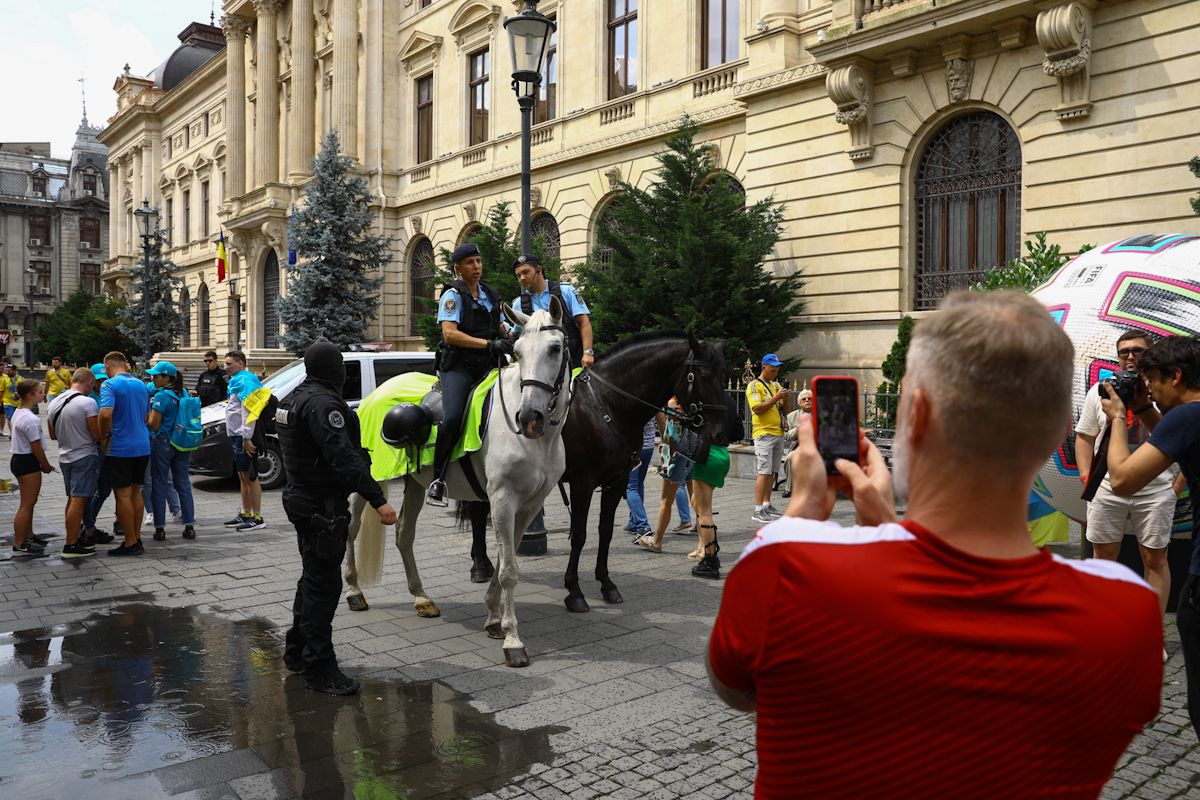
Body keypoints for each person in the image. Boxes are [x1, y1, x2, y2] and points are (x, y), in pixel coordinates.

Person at [707, 291, 1162, 799]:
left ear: (916, 415)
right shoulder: (1129, 614)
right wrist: (885, 531)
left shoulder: (784, 565)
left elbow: (737, 687)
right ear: (1057, 430)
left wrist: (802, 512)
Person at [277, 342, 399, 694]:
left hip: (303, 500)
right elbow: (343, 459)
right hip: (321, 507)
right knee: (324, 587)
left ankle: (296, 652)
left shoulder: (294, 398)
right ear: (335, 369)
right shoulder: (323, 405)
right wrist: (378, 500)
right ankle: (320, 669)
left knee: (312, 579)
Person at [1102, 334, 1200, 737]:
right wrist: (1143, 408)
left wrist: (1117, 417)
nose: (1150, 389)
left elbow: (1123, 479)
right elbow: (1177, 443)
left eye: (1153, 380)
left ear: (1175, 376)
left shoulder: (1187, 417)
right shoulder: (1190, 418)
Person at [1076, 330, 1181, 620]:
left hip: (1156, 488)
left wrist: (1175, 487)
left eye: (1137, 351)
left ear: (1150, 354)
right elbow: (1085, 437)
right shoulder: (1100, 391)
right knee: (1104, 556)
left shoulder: (1163, 391)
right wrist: (1088, 478)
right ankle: (1105, 625)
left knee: (1155, 558)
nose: (1130, 356)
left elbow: (1181, 438)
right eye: (1124, 352)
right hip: (1108, 488)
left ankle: (1152, 632)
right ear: (1118, 356)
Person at [427, 242, 511, 506]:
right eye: (470, 263)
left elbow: (500, 326)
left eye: (478, 261)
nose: (476, 266)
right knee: (452, 418)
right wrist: (488, 344)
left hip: (488, 364)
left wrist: (515, 335)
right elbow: (449, 334)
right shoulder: (452, 296)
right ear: (458, 268)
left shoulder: (489, 294)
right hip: (459, 367)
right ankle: (437, 479)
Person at [98, 351, 152, 556]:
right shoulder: (141, 385)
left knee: (122, 494)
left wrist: (104, 431)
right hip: (142, 445)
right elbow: (147, 416)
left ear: (108, 365)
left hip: (121, 446)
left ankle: (129, 542)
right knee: (136, 491)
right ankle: (136, 537)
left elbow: (105, 413)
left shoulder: (109, 385)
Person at [47, 368, 103, 558]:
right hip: (84, 456)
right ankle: (70, 544)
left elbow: (52, 435)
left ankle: (75, 537)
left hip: (64, 456)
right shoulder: (88, 403)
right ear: (89, 382)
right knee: (78, 500)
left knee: (73, 500)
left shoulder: (54, 402)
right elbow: (96, 434)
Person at [513, 254, 594, 369]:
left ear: (538, 270)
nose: (522, 278)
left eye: (525, 272)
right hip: (541, 372)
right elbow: (517, 334)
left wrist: (588, 353)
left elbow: (583, 322)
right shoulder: (518, 304)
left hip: (574, 363)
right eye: (518, 275)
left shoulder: (565, 291)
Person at [146, 361, 197, 542]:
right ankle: (189, 525)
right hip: (182, 443)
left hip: (164, 443)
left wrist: (149, 412)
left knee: (159, 484)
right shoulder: (183, 393)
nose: (153, 379)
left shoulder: (162, 397)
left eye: (156, 376)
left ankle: (160, 528)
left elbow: (154, 424)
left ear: (167, 377)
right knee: (183, 484)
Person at [637, 399, 694, 553]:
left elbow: (671, 432)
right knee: (698, 501)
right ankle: (705, 544)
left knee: (666, 501)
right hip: (692, 452)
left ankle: (657, 541)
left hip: (675, 455)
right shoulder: (695, 403)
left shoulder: (673, 403)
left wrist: (665, 456)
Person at [10, 380, 54, 556]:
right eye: (40, 392)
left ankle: (28, 535)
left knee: (30, 503)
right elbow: (35, 445)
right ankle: (20, 543)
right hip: (27, 460)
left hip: (19, 459)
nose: (43, 394)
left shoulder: (19, 412)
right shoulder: (31, 418)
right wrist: (45, 464)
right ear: (30, 395)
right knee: (26, 505)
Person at [224, 350, 265, 531]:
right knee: (242, 476)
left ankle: (257, 517)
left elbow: (249, 411)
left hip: (244, 436)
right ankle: (246, 513)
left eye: (228, 364)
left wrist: (247, 438)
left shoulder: (245, 381)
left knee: (251, 476)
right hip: (237, 435)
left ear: (240, 363)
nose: (225, 367)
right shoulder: (237, 381)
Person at [746, 354, 788, 524]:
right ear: (763, 367)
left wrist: (785, 398)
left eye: (777, 370)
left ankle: (767, 504)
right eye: (772, 370)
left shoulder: (775, 385)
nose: (775, 373)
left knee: (772, 471)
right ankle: (757, 510)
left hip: (777, 432)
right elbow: (757, 408)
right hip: (764, 433)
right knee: (763, 472)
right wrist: (776, 397)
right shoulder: (754, 386)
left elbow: (786, 410)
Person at [81, 363, 117, 546]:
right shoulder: (88, 399)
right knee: (92, 490)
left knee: (103, 489)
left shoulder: (107, 393)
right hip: (97, 447)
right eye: (99, 380)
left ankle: (89, 525)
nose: (102, 383)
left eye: (105, 379)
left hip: (108, 446)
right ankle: (88, 527)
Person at [780, 389, 812, 499]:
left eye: (809, 398)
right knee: (790, 457)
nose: (807, 400)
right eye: (804, 399)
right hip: (800, 447)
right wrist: (797, 429)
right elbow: (787, 436)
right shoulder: (792, 416)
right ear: (799, 403)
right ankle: (789, 488)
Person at [2, 363, 21, 436]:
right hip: (7, 402)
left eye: (9, 371)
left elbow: (24, 390)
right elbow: (1, 391)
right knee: (10, 418)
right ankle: (12, 433)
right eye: (6, 371)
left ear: (14, 371)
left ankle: (17, 432)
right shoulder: (4, 379)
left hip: (18, 403)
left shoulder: (20, 379)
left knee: (17, 419)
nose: (7, 372)